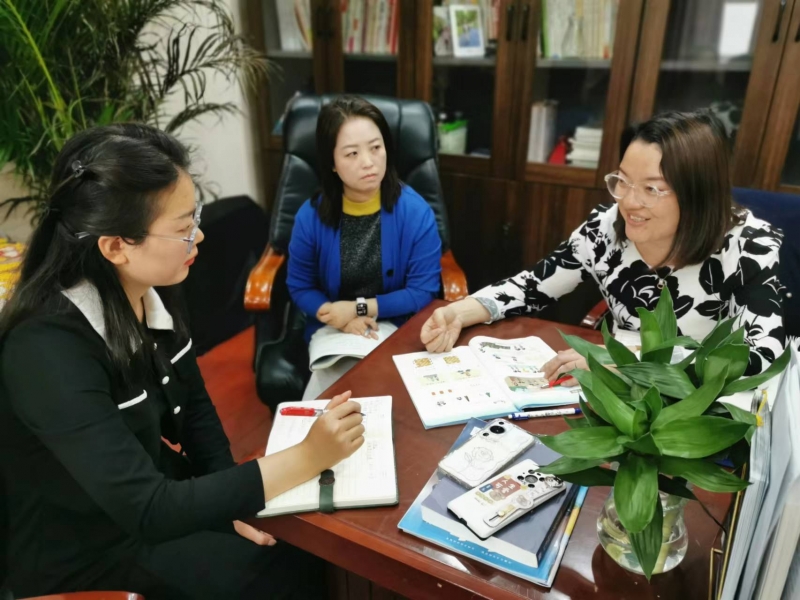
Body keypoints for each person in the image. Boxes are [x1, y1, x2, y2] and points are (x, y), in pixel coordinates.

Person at [0, 124, 365, 599]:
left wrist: (233, 503)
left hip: (150, 503)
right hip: (87, 549)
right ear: (116, 246)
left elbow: (195, 410)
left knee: (306, 541)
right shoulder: (46, 350)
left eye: (194, 218)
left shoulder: (150, 288)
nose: (199, 235)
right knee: (277, 572)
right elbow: (148, 509)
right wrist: (306, 457)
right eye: (182, 228)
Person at [420, 110, 786, 381]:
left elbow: (760, 356)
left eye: (652, 189)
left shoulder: (747, 247)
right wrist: (463, 310)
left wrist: (628, 363)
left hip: (692, 407)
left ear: (698, 195)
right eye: (623, 181)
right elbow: (533, 285)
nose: (629, 202)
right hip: (607, 389)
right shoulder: (607, 227)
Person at [288, 96, 442, 399]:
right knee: (337, 378)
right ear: (332, 163)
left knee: (366, 386)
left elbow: (422, 291)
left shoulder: (415, 212)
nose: (369, 162)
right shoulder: (311, 216)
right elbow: (300, 285)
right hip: (334, 328)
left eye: (375, 147)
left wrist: (358, 308)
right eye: (352, 153)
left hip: (395, 324)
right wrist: (338, 315)